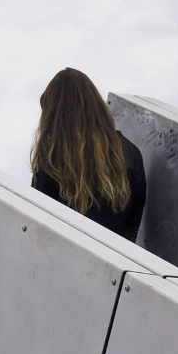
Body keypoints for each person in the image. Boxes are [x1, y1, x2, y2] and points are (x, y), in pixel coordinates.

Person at [30, 68, 147, 242]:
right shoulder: (130, 155)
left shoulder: (52, 158)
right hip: (115, 262)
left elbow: (37, 226)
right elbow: (132, 228)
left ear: (54, 115)